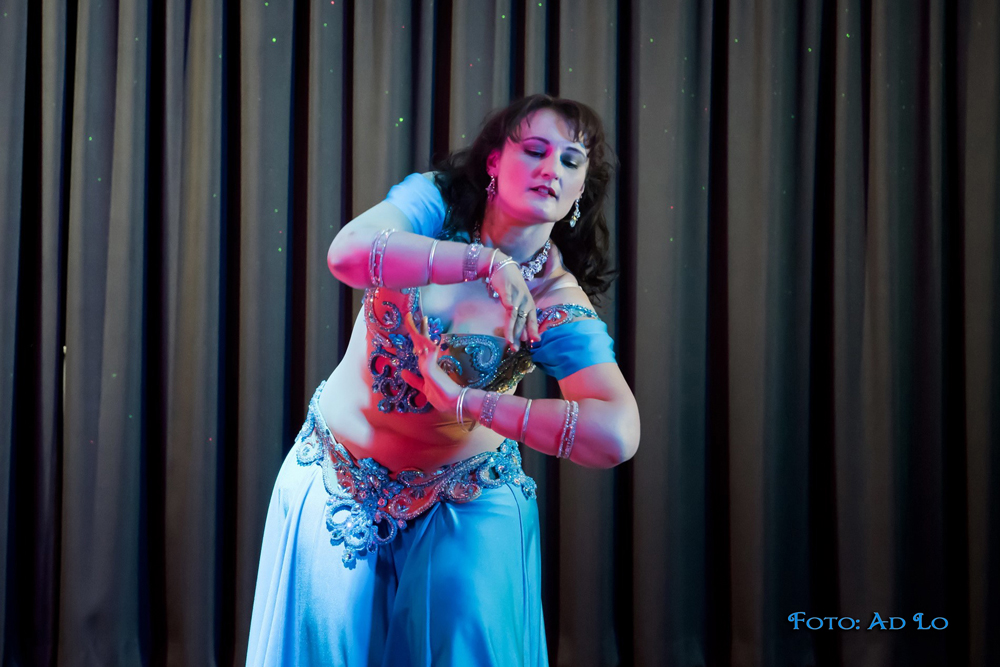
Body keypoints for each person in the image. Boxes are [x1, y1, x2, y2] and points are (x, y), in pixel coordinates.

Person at [246, 94, 641, 666]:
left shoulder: (553, 300)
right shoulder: (433, 205)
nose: (551, 168)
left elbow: (616, 433)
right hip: (338, 474)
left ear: (580, 189)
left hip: (462, 497)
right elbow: (347, 254)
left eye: (570, 160)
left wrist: (470, 403)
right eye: (535, 150)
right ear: (494, 161)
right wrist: (484, 263)